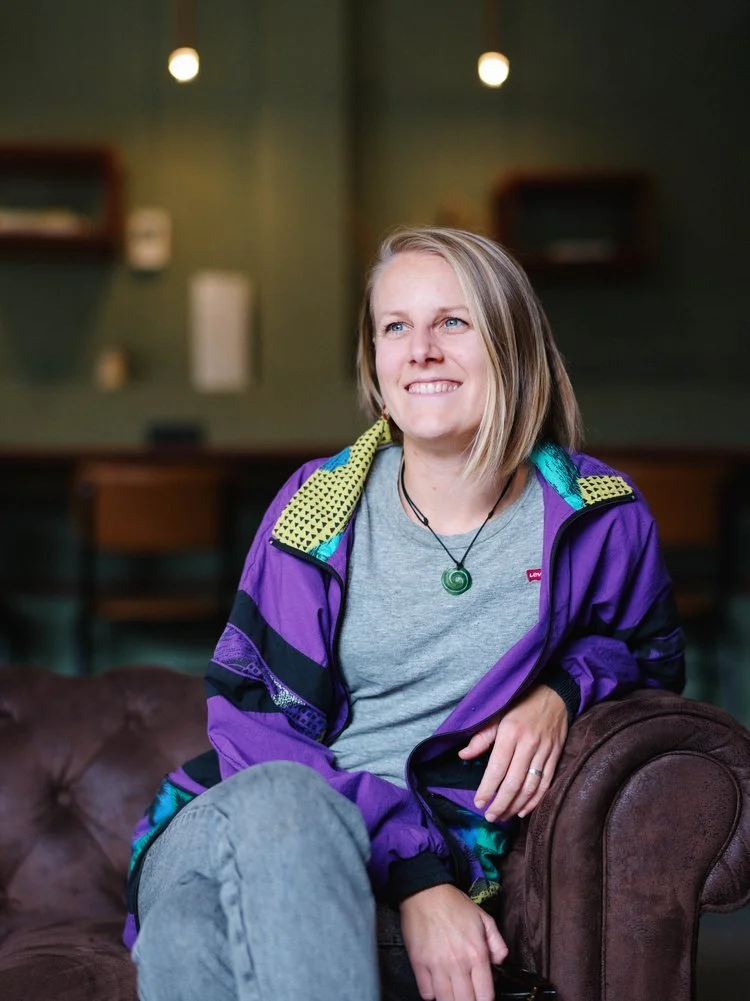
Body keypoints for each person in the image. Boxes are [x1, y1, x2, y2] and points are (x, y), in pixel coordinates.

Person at [126, 226, 685, 1001]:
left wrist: (563, 688)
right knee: (292, 801)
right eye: (396, 326)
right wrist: (418, 878)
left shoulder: (599, 516)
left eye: (453, 322)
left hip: (380, 868)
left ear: (513, 344)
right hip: (239, 820)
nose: (420, 348)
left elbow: (652, 664)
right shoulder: (315, 508)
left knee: (188, 938)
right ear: (378, 363)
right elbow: (254, 727)